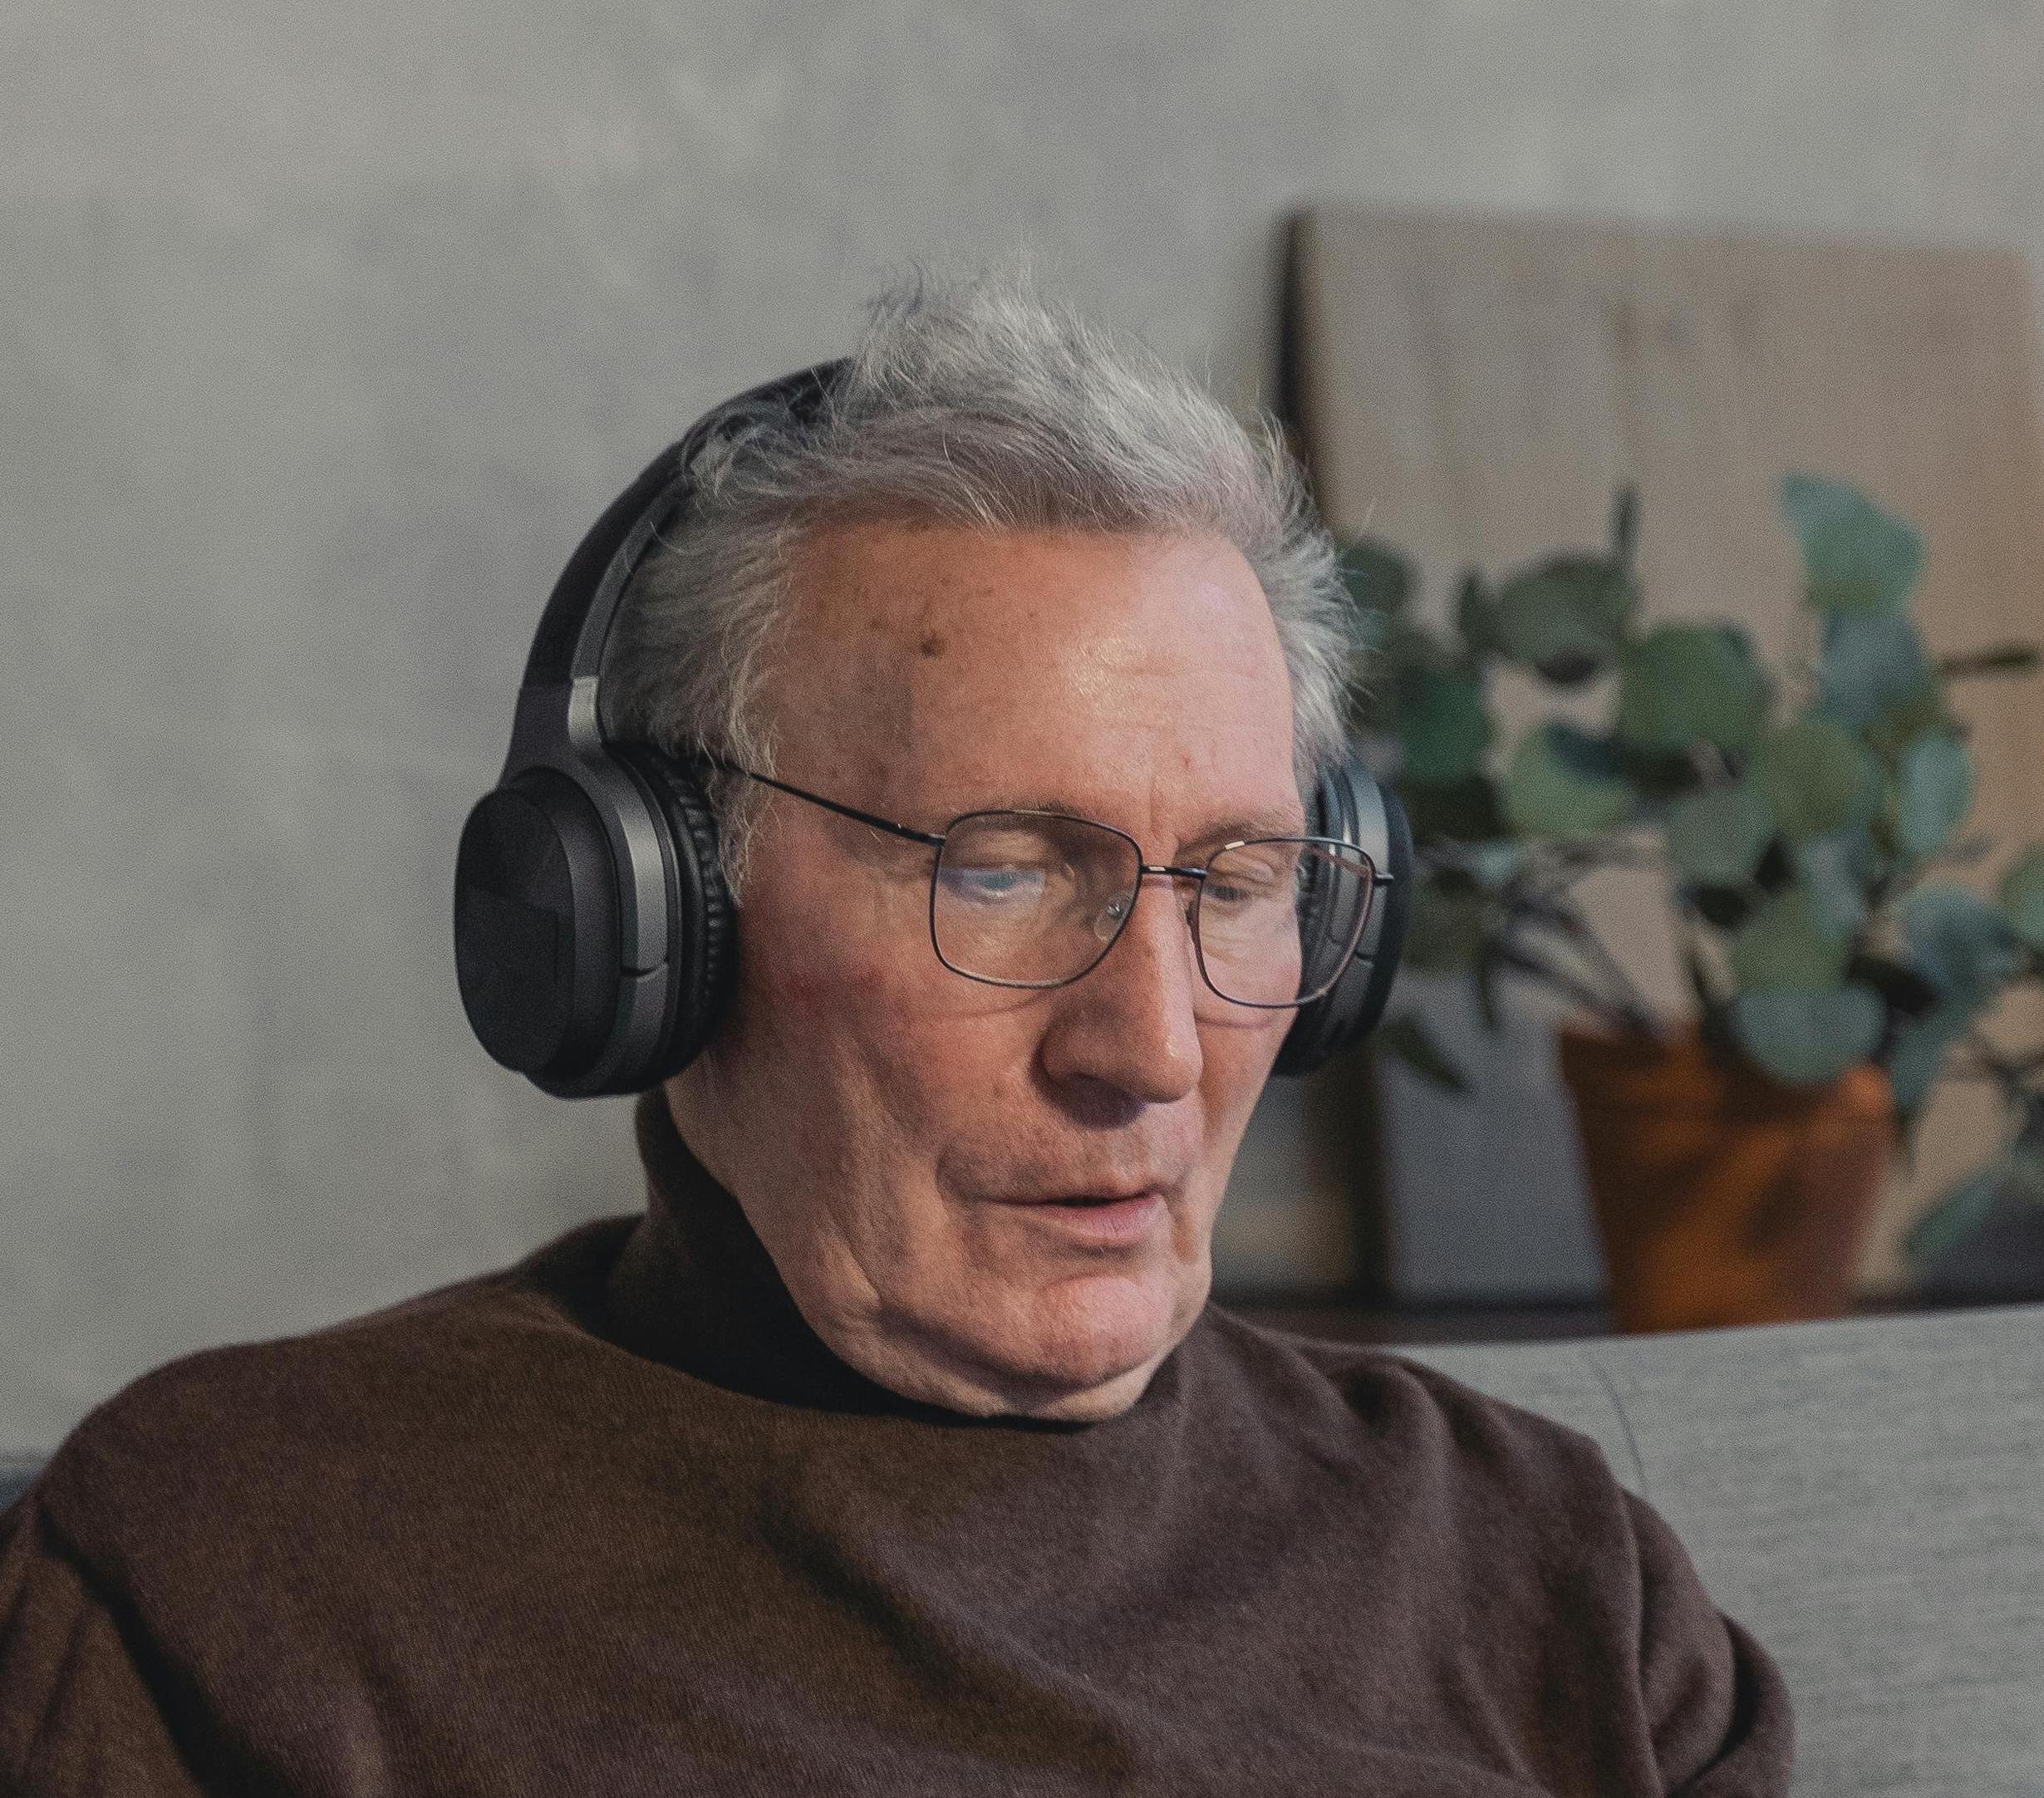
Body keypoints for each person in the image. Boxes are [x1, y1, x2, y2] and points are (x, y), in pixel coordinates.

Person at [0, 274, 1793, 1795]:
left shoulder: (1550, 1576)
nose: (1155, 1049)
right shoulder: (231, 1575)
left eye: (1235, 878)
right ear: (658, 923)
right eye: (1006, 872)